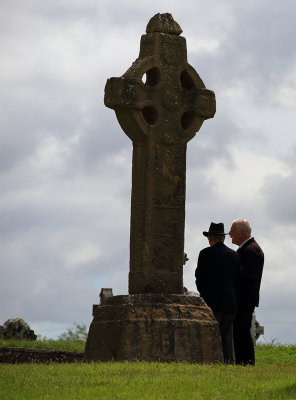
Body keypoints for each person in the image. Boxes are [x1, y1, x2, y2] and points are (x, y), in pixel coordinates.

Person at [195, 222, 240, 363]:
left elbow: (199, 278)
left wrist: (204, 295)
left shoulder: (205, 254)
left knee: (211, 335)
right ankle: (228, 362)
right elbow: (238, 279)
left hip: (211, 302)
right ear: (223, 238)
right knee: (227, 336)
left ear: (210, 238)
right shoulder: (234, 255)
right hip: (229, 301)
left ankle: (212, 361)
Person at [229, 219, 264, 365]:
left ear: (242, 232)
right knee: (239, 331)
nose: (230, 234)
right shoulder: (249, 249)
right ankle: (243, 361)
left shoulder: (251, 250)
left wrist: (234, 271)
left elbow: (250, 276)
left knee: (242, 331)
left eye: (232, 231)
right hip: (244, 298)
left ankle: (247, 362)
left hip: (244, 299)